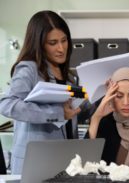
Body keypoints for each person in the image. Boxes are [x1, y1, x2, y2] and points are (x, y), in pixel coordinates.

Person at [0, 10, 81, 174]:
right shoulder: (28, 68)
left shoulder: (67, 75)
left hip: (65, 158)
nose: (61, 48)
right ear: (39, 44)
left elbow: (72, 112)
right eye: (53, 43)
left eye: (64, 41)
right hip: (35, 162)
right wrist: (57, 112)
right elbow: (7, 104)